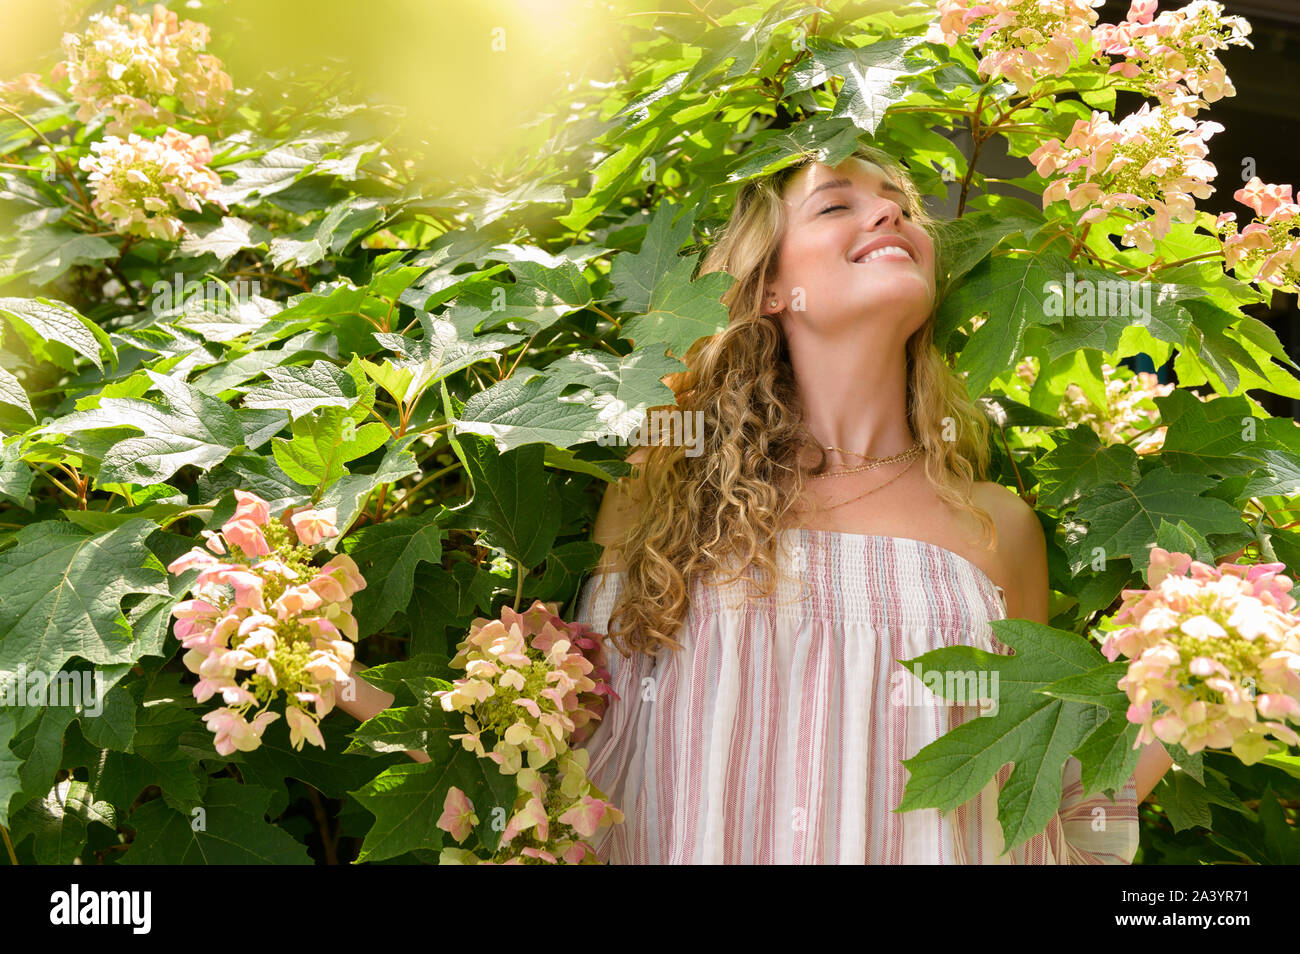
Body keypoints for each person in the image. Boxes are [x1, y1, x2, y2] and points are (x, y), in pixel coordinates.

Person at [569, 144, 1174, 864]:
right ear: (767, 287)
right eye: (835, 205)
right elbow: (576, 758)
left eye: (902, 204)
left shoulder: (996, 527)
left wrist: (1193, 681)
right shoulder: (660, 486)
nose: (891, 212)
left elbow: (1044, 806)